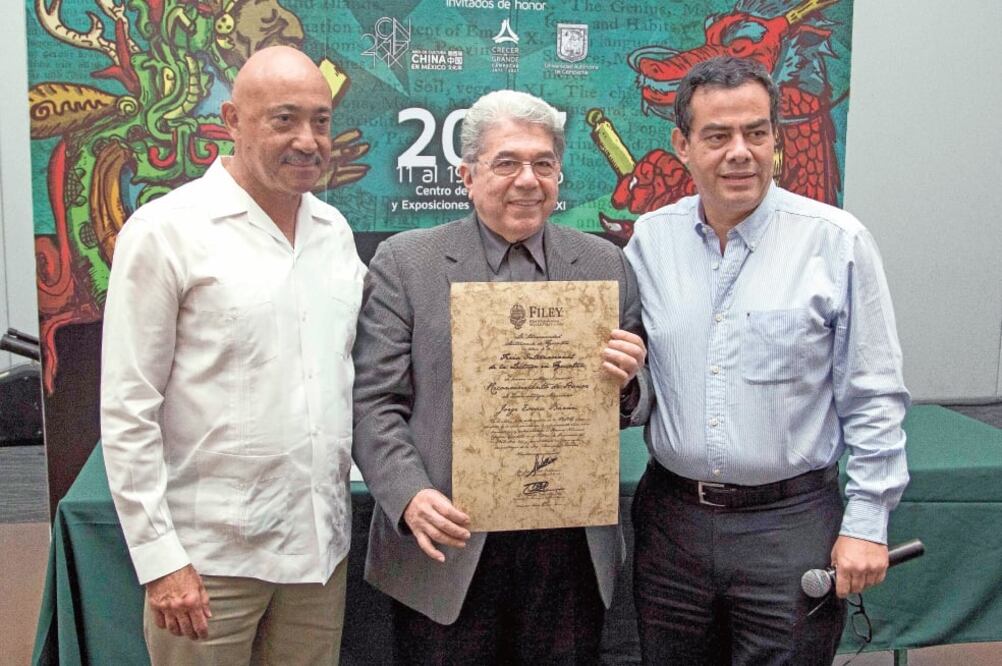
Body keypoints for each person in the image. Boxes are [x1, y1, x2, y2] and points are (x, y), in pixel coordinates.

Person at [623, 55, 910, 665]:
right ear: (682, 144)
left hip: (790, 525)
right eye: (718, 135)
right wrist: (623, 386)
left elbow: (873, 395)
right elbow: (651, 382)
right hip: (670, 524)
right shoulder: (650, 239)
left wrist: (867, 521)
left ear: (777, 140)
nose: (740, 152)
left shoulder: (837, 242)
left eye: (757, 132)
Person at [352, 89, 651, 664]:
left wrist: (629, 379)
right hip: (447, 545)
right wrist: (409, 495)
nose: (527, 180)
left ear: (560, 175)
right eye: (506, 162)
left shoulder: (605, 264)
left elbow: (638, 394)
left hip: (568, 553)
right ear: (467, 175)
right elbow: (373, 401)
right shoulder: (406, 262)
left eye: (543, 164)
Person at [101, 46, 364, 664]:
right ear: (231, 120)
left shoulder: (335, 234)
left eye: (320, 121)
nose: (308, 140)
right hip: (208, 563)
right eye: (283, 119)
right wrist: (162, 560)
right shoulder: (167, 231)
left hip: (318, 552)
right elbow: (127, 408)